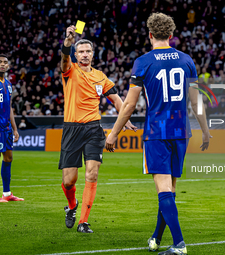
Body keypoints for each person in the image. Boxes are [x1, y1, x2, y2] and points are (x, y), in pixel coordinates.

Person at [105, 13, 211, 255]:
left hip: (157, 133)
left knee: (163, 189)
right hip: (181, 132)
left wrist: (113, 133)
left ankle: (180, 245)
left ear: (150, 34)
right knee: (170, 190)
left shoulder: (143, 62)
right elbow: (196, 102)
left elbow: (130, 105)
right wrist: (205, 130)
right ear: (171, 35)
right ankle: (156, 237)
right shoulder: (186, 60)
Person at [59, 25, 136, 233]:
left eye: (88, 51)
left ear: (93, 54)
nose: (84, 54)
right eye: (81, 51)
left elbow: (116, 100)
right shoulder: (69, 70)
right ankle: (72, 206)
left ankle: (83, 222)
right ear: (76, 55)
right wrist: (67, 42)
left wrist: (124, 117)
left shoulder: (101, 77)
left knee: (91, 174)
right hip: (72, 129)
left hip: (94, 129)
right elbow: (64, 60)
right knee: (69, 181)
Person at [0, 54, 22, 202]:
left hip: (6, 128)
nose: (2, 64)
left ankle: (7, 194)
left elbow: (9, 107)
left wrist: (15, 128)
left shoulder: (8, 84)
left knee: (8, 157)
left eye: (5, 62)